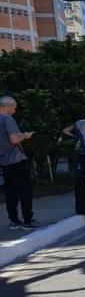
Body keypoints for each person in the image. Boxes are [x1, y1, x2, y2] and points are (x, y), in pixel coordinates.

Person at [0, 96, 40, 230]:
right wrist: (25, 135)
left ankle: (14, 220)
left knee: (11, 192)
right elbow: (14, 139)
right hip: (16, 159)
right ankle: (28, 220)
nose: (15, 111)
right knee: (25, 191)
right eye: (14, 108)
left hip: (4, 161)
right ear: (7, 106)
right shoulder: (7, 119)